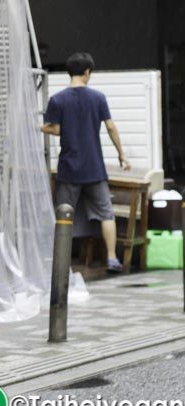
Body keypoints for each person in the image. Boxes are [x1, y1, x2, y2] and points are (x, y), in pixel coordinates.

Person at [41, 52, 131, 273]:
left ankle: (61, 264)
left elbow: (56, 129)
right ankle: (112, 258)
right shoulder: (98, 98)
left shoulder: (57, 99)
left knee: (64, 215)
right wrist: (121, 154)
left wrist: (40, 127)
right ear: (87, 72)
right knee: (106, 214)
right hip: (94, 168)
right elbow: (110, 127)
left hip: (70, 169)